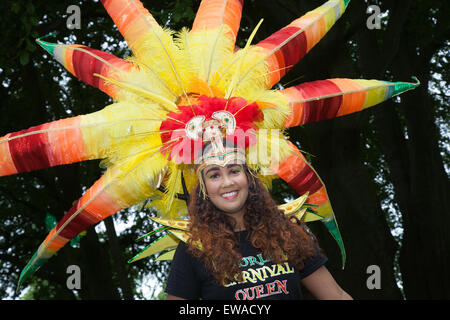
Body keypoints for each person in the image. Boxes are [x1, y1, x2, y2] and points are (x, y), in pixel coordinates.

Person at [165, 141, 353, 300]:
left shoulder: (287, 233)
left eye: (234, 171)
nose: (227, 183)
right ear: (204, 187)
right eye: (214, 175)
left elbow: (336, 295)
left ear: (249, 177)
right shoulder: (194, 248)